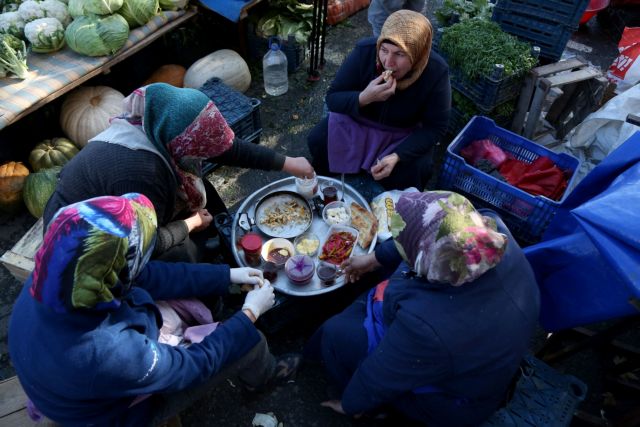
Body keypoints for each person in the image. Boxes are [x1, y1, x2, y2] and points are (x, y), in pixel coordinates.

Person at [9, 193, 300, 426]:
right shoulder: (109, 351)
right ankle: (263, 379)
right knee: (247, 342)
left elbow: (148, 275)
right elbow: (190, 367)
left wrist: (226, 276)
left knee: (182, 271)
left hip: (69, 378)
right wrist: (249, 313)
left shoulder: (58, 277)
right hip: (115, 413)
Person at [306, 191, 540, 425]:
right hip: (474, 350)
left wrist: (351, 404)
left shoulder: (426, 326)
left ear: (427, 260)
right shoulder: (489, 232)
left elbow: (382, 373)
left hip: (452, 396)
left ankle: (374, 409)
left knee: (335, 333)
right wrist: (375, 258)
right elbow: (424, 237)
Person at [43, 83, 314, 263]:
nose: (208, 150)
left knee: (203, 191)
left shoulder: (156, 126)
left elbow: (225, 148)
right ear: (184, 143)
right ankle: (210, 294)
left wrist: (288, 163)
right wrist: (189, 224)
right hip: (79, 241)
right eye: (201, 146)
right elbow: (144, 244)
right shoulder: (144, 175)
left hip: (126, 202)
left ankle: (220, 248)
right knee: (183, 253)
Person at [307, 10, 450, 191]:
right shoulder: (365, 52)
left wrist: (398, 155)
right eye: (384, 50)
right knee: (318, 140)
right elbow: (333, 97)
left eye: (400, 54)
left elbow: (436, 127)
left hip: (399, 136)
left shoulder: (435, 71)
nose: (388, 62)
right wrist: (363, 98)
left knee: (418, 170)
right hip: (356, 124)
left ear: (417, 53)